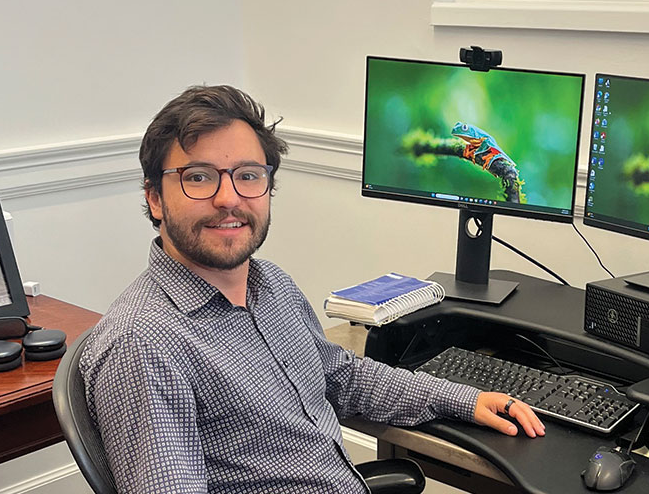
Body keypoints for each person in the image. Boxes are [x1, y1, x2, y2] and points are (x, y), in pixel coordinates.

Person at [81, 85, 545, 493]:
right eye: (198, 177)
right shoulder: (142, 345)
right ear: (154, 198)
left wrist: (464, 398)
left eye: (247, 175)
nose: (228, 198)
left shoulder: (271, 285)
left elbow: (342, 376)